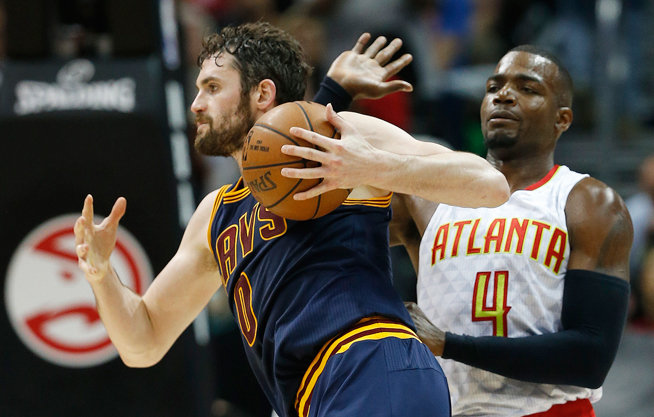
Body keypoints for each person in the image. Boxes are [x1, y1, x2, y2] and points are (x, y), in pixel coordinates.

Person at [74, 22, 510, 417]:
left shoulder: (338, 138)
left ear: (261, 93)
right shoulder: (214, 214)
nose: (195, 105)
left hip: (368, 361)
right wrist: (100, 273)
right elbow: (144, 341)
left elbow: (489, 185)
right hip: (302, 399)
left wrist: (370, 167)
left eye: (210, 87)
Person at [281, 45, 633, 416]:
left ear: (562, 119)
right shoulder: (426, 196)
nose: (504, 95)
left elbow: (589, 359)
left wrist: (449, 344)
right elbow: (298, 206)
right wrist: (335, 92)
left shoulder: (587, 201)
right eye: (494, 86)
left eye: (527, 89)